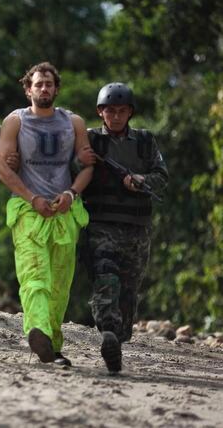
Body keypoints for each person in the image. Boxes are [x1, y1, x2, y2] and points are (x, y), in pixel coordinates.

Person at [0, 62, 93, 367]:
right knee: (35, 274)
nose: (44, 89)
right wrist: (31, 197)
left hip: (65, 211)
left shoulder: (73, 122)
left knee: (60, 285)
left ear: (56, 88)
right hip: (28, 210)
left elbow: (87, 164)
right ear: (28, 89)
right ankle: (36, 329)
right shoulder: (15, 121)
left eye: (49, 84)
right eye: (38, 84)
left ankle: (51, 344)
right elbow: (2, 167)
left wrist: (71, 193)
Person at [76, 82, 168, 373]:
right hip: (101, 226)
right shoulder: (90, 140)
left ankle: (118, 337)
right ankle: (108, 333)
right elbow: (67, 170)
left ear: (130, 113)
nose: (116, 117)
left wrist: (140, 181)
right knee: (106, 280)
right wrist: (80, 162)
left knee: (129, 291)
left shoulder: (144, 142)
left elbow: (162, 177)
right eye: (110, 111)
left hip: (136, 230)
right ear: (100, 112)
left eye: (122, 111)